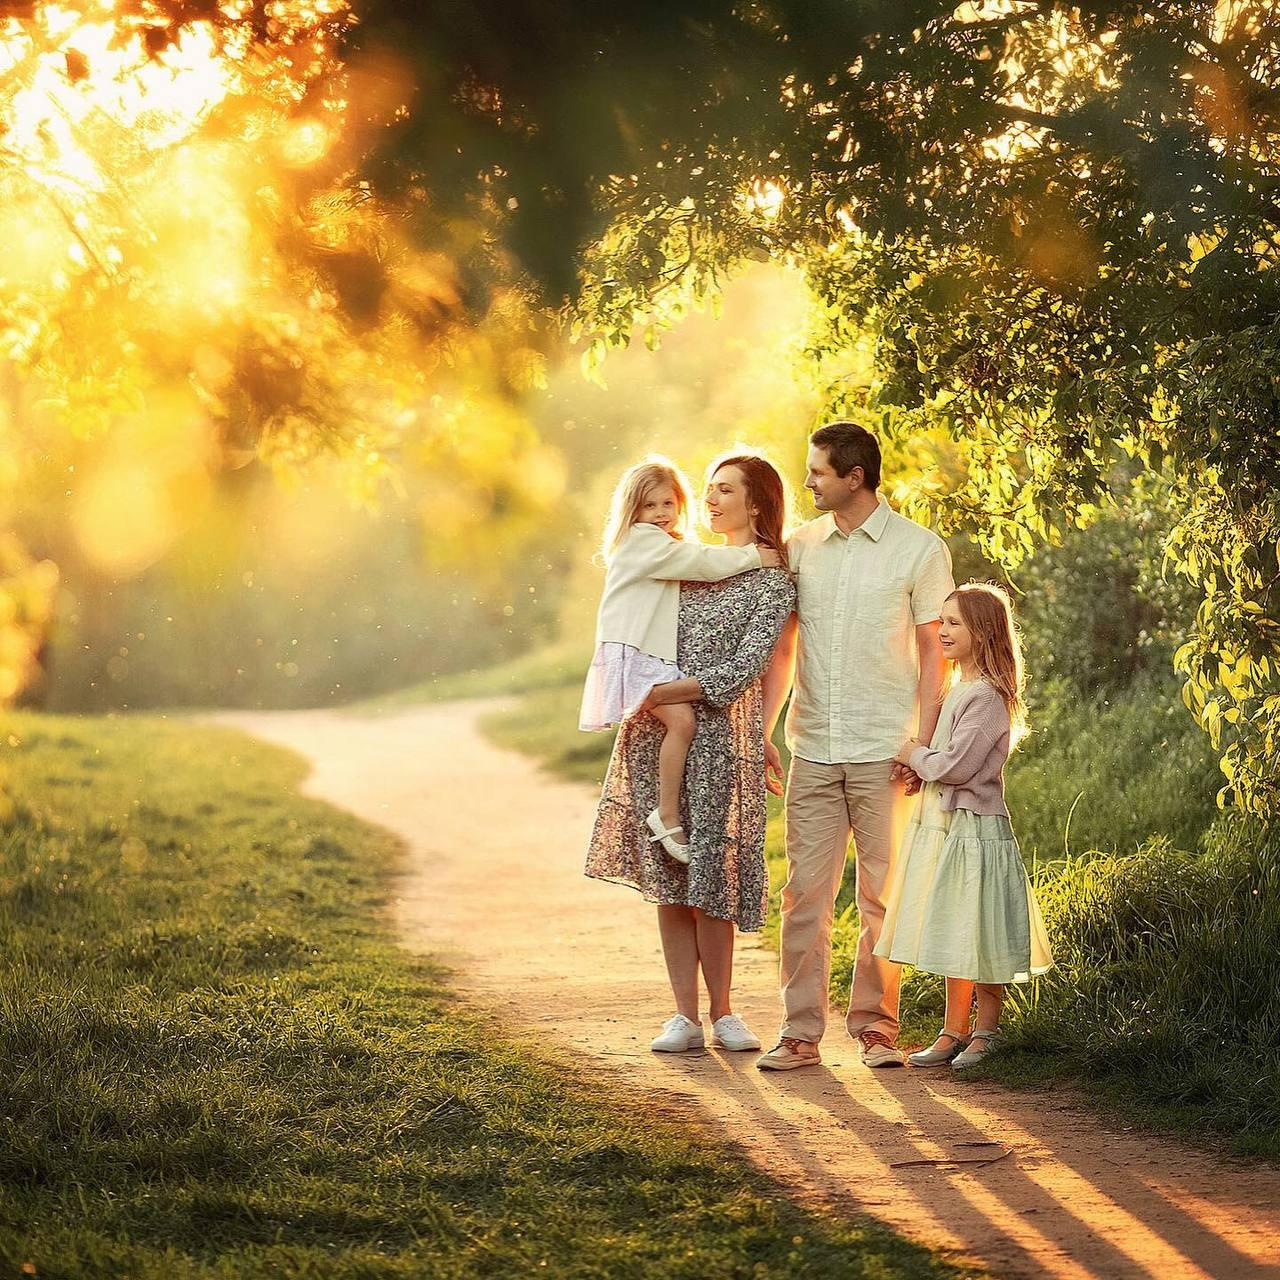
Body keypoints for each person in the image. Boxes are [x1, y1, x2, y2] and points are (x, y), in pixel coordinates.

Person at [756, 421, 954, 1072]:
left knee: (882, 898)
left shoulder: (919, 550)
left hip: (887, 750)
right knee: (804, 898)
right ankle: (800, 1034)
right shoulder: (801, 548)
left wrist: (924, 743)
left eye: (818, 471)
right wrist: (765, 730)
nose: (807, 481)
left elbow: (935, 653)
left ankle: (876, 1029)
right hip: (813, 746)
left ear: (855, 477)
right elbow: (784, 648)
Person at [585, 454, 796, 1054]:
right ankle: (683, 1016)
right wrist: (641, 692)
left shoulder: (772, 580)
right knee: (670, 878)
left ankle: (724, 1012)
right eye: (708, 489)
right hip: (658, 739)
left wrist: (660, 694)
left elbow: (745, 668)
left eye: (725, 490)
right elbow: (632, 623)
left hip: (722, 737)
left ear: (756, 502)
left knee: (713, 879)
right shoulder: (680, 557)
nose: (710, 500)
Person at [876, 583, 1054, 1068]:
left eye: (955, 623)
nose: (943, 630)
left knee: (982, 929)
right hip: (946, 828)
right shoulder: (959, 689)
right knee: (956, 927)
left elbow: (956, 766)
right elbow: (945, 762)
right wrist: (922, 769)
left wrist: (913, 753)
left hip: (975, 832)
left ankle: (986, 1030)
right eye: (943, 620)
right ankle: (952, 1030)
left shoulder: (988, 697)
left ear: (984, 632)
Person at [580, 456, 781, 861]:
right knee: (683, 721)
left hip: (640, 652)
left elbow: (695, 559)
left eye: (668, 504)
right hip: (633, 653)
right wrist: (755, 558)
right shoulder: (643, 541)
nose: (659, 513)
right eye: (649, 506)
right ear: (633, 511)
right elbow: (702, 563)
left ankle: (666, 812)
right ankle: (667, 814)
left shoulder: (659, 544)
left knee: (681, 722)